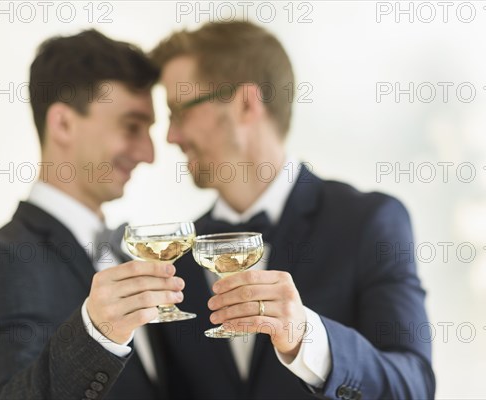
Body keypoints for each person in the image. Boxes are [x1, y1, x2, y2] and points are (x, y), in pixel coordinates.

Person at [149, 21, 436, 399]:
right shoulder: (177, 258)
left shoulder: (369, 222)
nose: (171, 136)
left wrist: (307, 339)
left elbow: (412, 387)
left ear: (246, 104)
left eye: (179, 111)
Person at [0, 30, 183, 400]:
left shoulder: (128, 251)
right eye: (132, 126)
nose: (149, 153)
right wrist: (97, 335)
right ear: (63, 124)